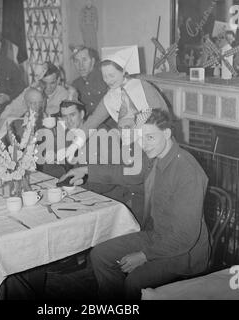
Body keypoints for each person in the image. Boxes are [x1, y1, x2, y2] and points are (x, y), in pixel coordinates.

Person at [60, 109, 210, 299]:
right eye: (140, 138)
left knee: (135, 282)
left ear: (166, 133)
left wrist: (144, 255)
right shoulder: (154, 158)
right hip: (156, 237)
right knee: (100, 255)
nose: (144, 145)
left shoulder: (187, 171)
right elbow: (122, 172)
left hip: (184, 253)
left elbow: (184, 237)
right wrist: (86, 170)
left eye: (150, 138)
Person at [62, 47, 169, 162]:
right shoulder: (110, 97)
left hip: (158, 142)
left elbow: (162, 118)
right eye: (104, 76)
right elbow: (93, 121)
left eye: (111, 75)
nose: (108, 80)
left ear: (123, 71)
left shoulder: (143, 87)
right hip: (134, 146)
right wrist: (75, 144)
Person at [70, 45, 109, 117]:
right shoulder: (75, 85)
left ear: (93, 61)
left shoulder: (106, 78)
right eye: (76, 61)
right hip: (88, 125)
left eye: (84, 60)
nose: (80, 65)